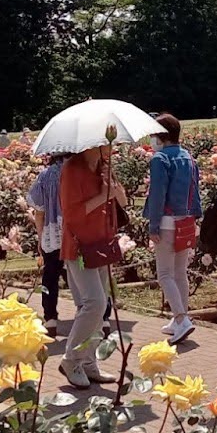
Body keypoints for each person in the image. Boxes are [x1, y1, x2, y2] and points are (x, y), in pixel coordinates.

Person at [58, 143, 127, 389]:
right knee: (93, 303)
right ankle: (70, 360)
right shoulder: (72, 169)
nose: (111, 147)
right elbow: (72, 214)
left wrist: (113, 185)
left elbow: (123, 202)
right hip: (79, 246)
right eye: (106, 144)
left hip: (101, 243)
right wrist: (102, 196)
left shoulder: (103, 168)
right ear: (91, 144)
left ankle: (88, 362)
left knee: (101, 306)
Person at [145, 114, 203, 344]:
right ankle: (180, 317)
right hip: (186, 220)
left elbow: (157, 194)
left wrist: (153, 225)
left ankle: (181, 319)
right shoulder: (188, 157)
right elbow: (196, 189)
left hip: (167, 222)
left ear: (161, 135)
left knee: (165, 273)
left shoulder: (160, 159)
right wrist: (195, 217)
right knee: (180, 272)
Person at [26, 154, 68, 336]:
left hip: (53, 233)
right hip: (77, 232)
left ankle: (50, 318)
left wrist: (41, 236)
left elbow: (39, 211)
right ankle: (101, 318)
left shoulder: (46, 175)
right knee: (85, 274)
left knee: (50, 276)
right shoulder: (81, 172)